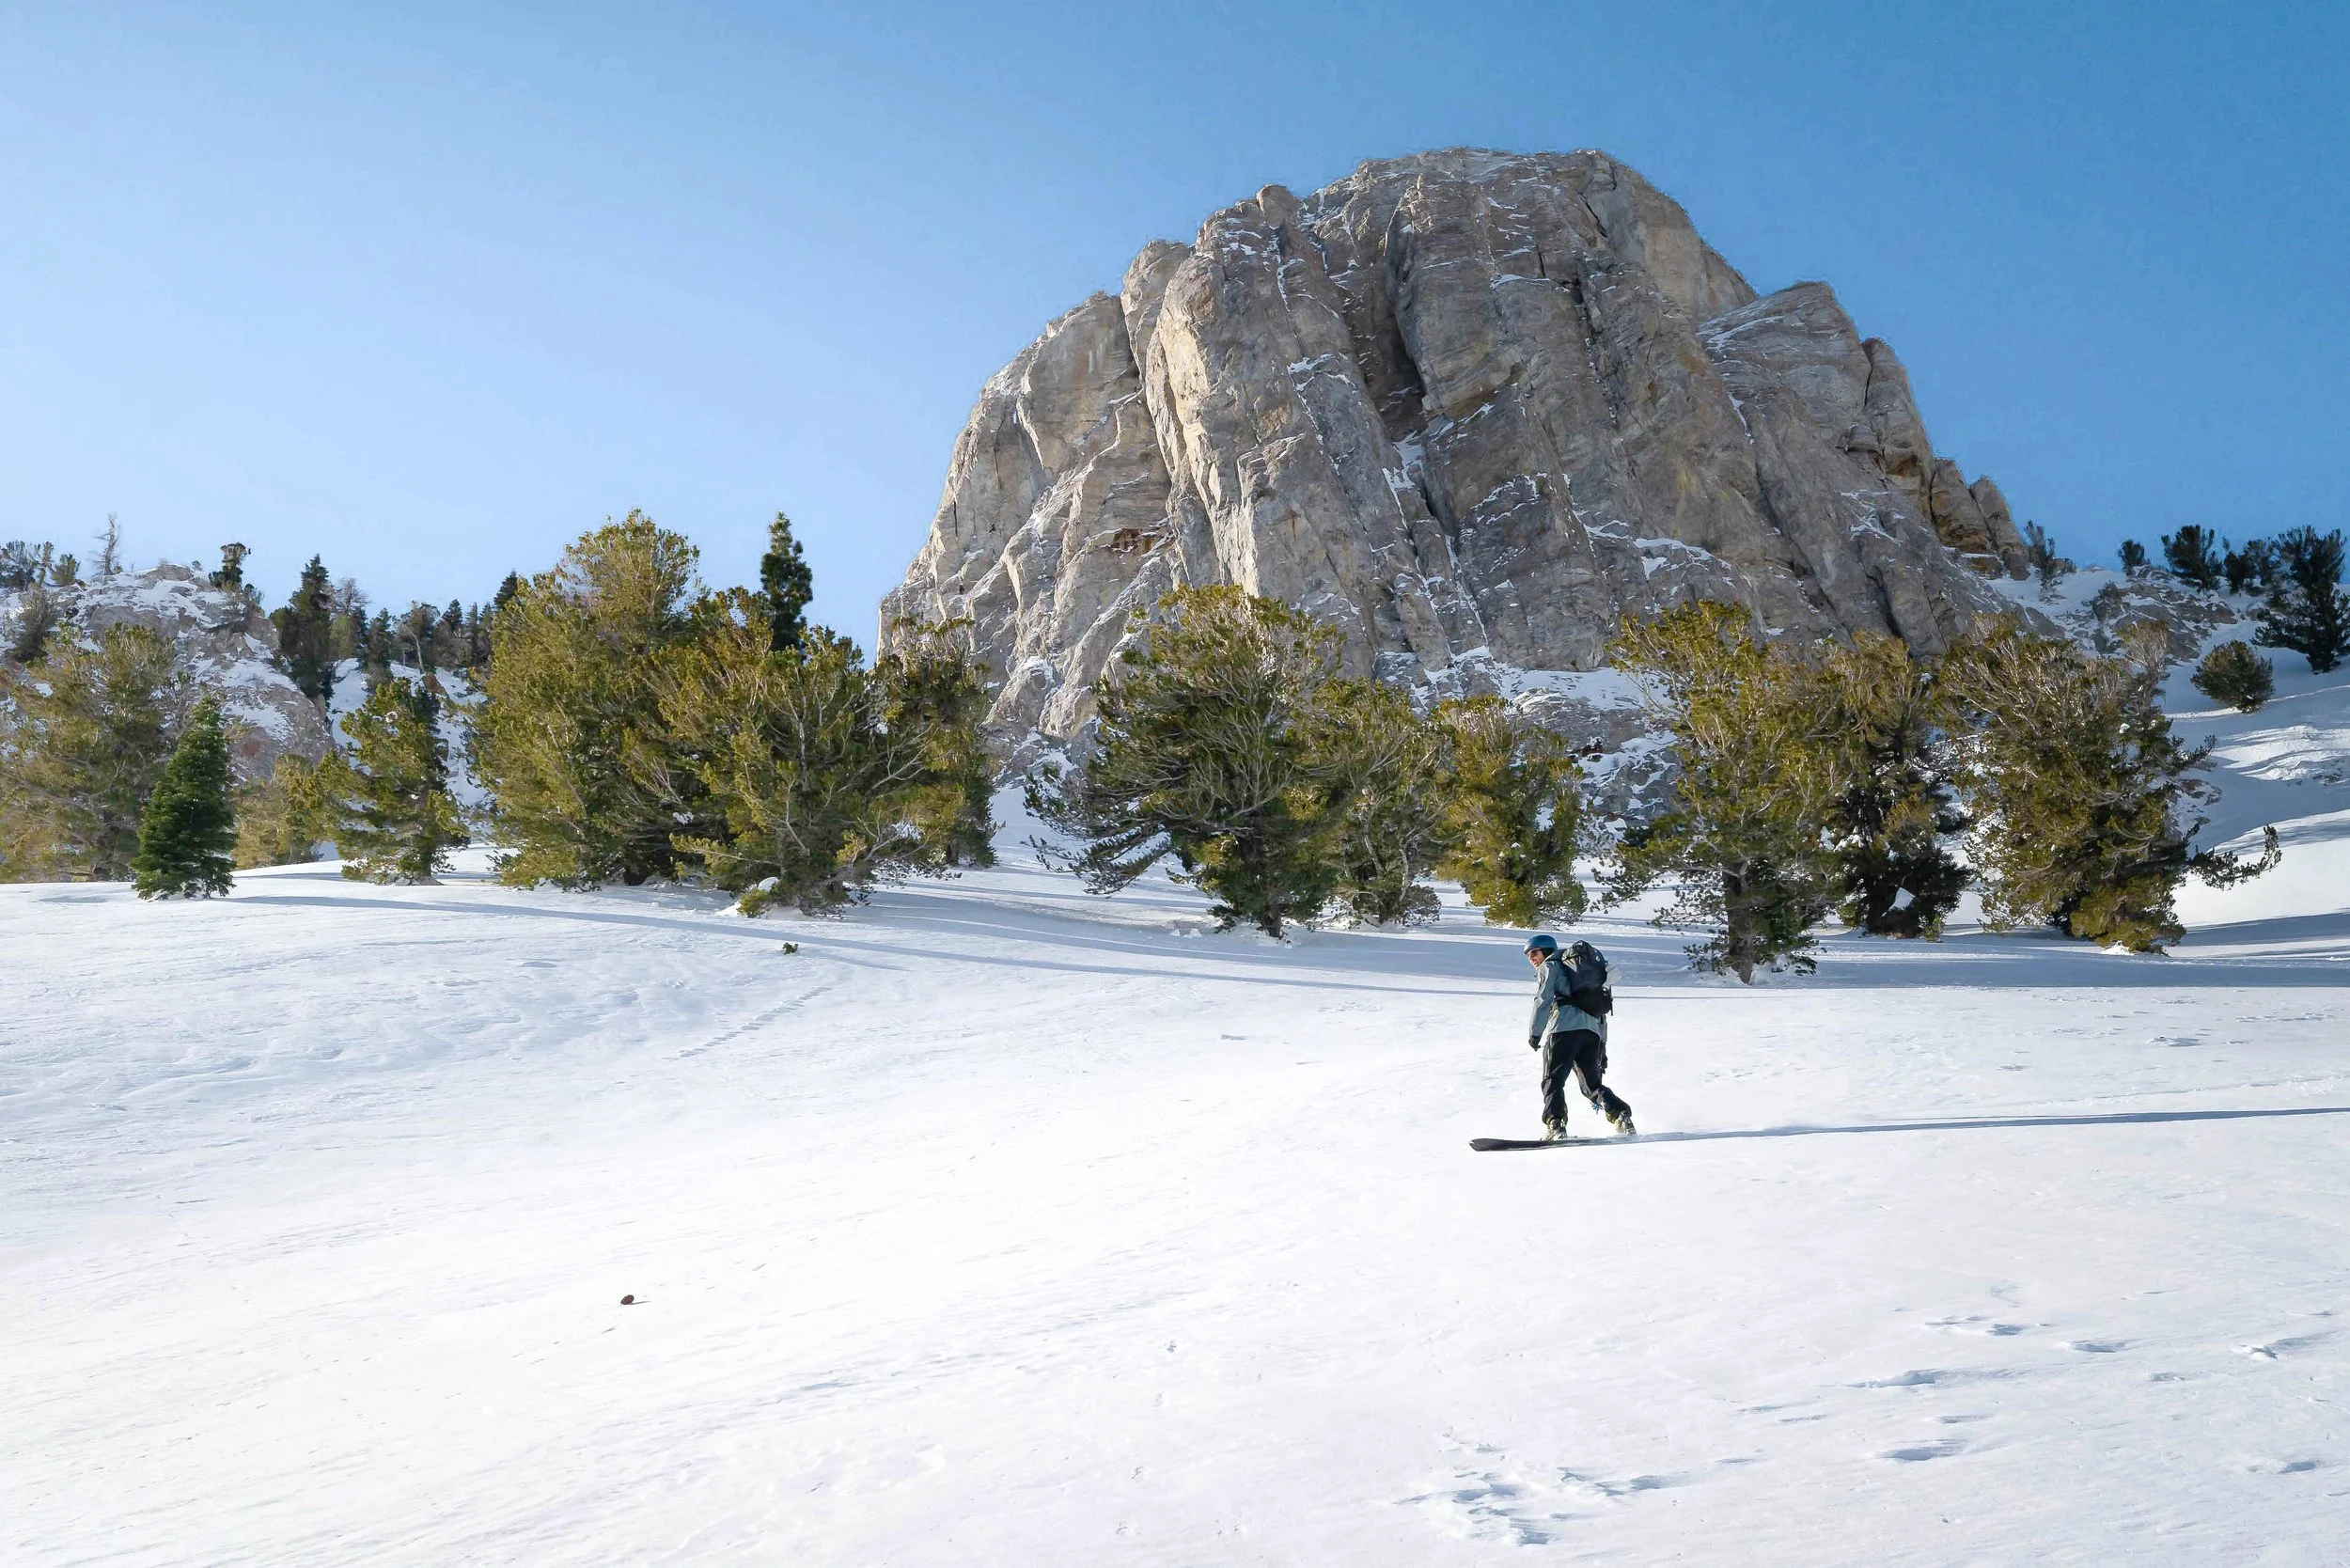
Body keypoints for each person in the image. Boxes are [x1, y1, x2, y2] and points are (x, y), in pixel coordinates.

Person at [1525, 933, 1635, 1140]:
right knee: (1592, 1085)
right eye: (1528, 955)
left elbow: (1543, 999)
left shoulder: (1550, 967)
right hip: (1590, 1033)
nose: (1531, 958)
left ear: (1547, 951)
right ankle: (1621, 1116)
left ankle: (1555, 1125)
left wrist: (1535, 1033)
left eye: (1534, 952)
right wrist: (1601, 1047)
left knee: (1553, 1080)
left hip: (1562, 1030)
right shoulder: (1581, 971)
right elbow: (1600, 1013)